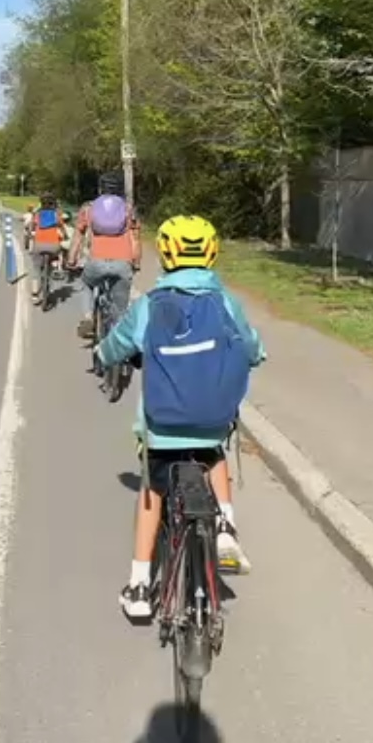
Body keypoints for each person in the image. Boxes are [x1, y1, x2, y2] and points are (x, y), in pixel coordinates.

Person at [96, 215, 265, 621]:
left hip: (162, 428)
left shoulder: (151, 307)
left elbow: (116, 346)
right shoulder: (225, 302)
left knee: (152, 494)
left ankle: (139, 588)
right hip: (210, 422)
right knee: (215, 452)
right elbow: (253, 346)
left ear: (167, 255)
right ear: (211, 252)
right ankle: (225, 526)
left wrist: (102, 355)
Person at [68, 172, 140, 341]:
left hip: (96, 262)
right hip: (123, 264)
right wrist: (136, 263)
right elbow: (135, 240)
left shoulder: (88, 209)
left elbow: (78, 236)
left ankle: (88, 317)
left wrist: (71, 260)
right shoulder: (129, 210)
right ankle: (119, 340)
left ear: (100, 189)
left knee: (86, 283)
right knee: (120, 308)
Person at [30, 191, 66, 301]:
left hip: (39, 245)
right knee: (57, 253)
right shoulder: (56, 214)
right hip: (53, 245)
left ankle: (35, 294)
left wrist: (33, 231)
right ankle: (55, 265)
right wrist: (64, 236)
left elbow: (32, 226)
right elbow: (62, 228)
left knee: (36, 268)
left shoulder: (37, 214)